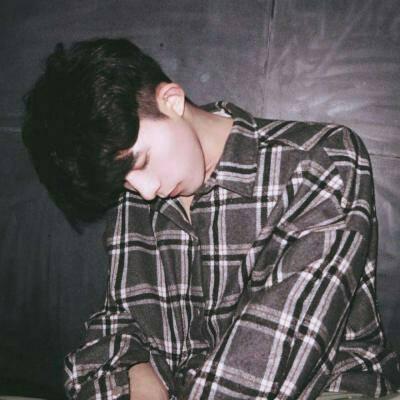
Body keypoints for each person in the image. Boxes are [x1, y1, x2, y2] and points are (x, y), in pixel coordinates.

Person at [22, 38, 399, 400]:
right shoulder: (135, 194)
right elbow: (118, 320)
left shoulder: (317, 160)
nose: (146, 190)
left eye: (142, 161)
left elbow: (264, 371)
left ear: (171, 100)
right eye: (123, 181)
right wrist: (132, 370)